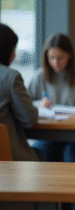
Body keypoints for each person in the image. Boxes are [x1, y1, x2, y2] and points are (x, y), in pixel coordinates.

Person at [28, 34, 75, 162]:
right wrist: (40, 105)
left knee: (71, 158)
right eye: (51, 58)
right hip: (49, 134)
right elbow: (26, 104)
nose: (56, 62)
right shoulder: (39, 76)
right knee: (39, 155)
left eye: (60, 58)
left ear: (70, 55)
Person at [0, 23, 41, 161]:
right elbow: (29, 119)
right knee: (43, 154)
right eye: (13, 48)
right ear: (7, 50)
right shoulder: (10, 77)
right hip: (8, 157)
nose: (15, 54)